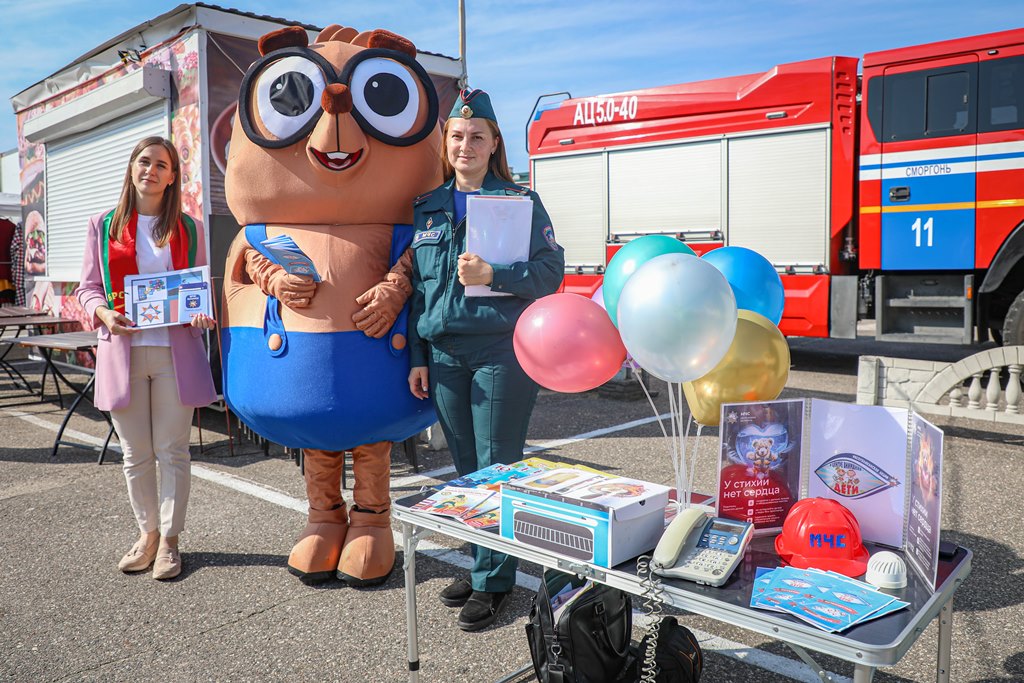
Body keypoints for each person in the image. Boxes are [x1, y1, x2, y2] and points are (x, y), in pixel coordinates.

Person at [407, 88, 565, 631]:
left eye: (477, 136)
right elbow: (418, 290)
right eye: (457, 136)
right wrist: (419, 354)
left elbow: (550, 275)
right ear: (446, 143)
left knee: (498, 464)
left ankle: (495, 582)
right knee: (468, 471)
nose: (465, 144)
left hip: (500, 348)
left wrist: (494, 275)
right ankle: (482, 562)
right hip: (445, 352)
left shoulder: (519, 202)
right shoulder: (426, 207)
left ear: (494, 142)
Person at [76, 136, 217, 580]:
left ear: (172, 176)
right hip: (123, 352)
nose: (151, 170)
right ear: (132, 167)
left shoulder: (189, 227)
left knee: (172, 450)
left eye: (161, 164)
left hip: (175, 353)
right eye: (144, 161)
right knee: (135, 454)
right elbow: (87, 288)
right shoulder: (103, 224)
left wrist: (202, 313)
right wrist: (103, 313)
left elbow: (199, 288)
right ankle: (147, 534)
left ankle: (171, 543)